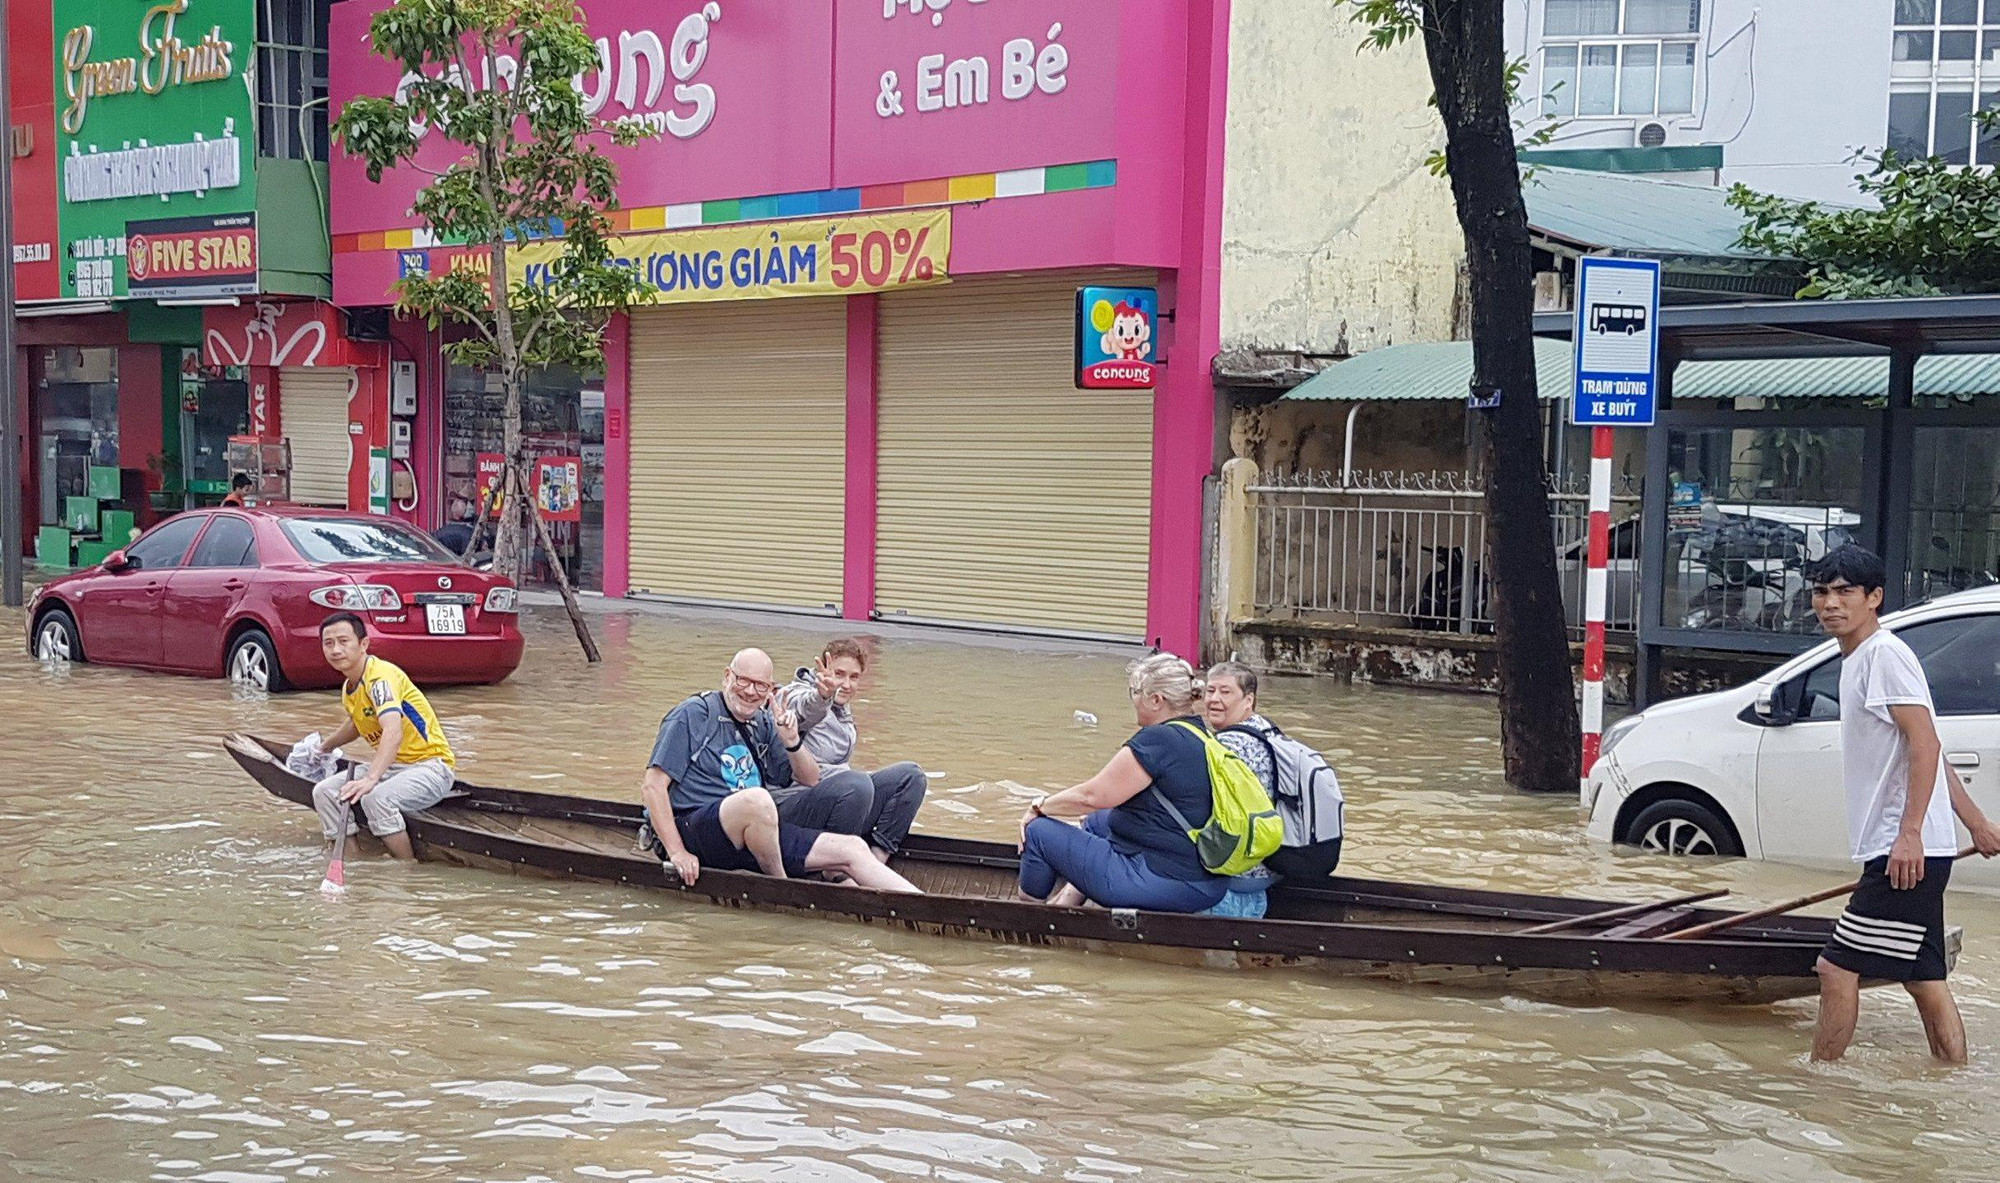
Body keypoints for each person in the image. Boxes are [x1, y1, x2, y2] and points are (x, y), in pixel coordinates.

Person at [1806, 545, 2000, 1064]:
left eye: (1846, 591)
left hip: (1905, 850)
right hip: (1911, 846)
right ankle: (1953, 1078)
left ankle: (1818, 1084)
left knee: (1836, 968)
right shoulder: (1858, 659)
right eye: (1822, 591)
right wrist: (1976, 822)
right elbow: (1928, 743)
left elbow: (1924, 743)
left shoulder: (1883, 656)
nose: (1831, 603)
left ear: (1875, 598)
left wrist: (1910, 833)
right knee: (1924, 978)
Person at [637, 648, 921, 893]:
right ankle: (782, 887)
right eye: (743, 681)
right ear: (727, 676)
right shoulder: (693, 713)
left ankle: (926, 904)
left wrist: (792, 741)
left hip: (756, 830)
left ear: (770, 689)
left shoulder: (763, 721)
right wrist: (677, 852)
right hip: (697, 826)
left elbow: (810, 779)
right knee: (758, 800)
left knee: (852, 848)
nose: (750, 692)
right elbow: (653, 786)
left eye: (760, 686)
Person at [1016, 654, 1230, 913]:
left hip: (1167, 880)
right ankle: (1067, 901)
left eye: (1135, 692)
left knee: (1038, 832)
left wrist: (1038, 807)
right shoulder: (1200, 734)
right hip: (1206, 881)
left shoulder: (1158, 740)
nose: (1133, 700)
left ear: (1156, 700)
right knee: (1096, 821)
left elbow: (1091, 796)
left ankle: (1029, 914)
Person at [306, 612, 459, 865]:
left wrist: (371, 779)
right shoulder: (350, 686)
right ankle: (352, 858)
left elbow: (392, 730)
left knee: (376, 797)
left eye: (344, 641)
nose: (335, 649)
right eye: (328, 643)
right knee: (323, 791)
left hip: (430, 768)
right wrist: (324, 747)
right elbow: (357, 723)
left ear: (363, 644)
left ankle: (405, 865)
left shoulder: (380, 678)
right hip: (393, 769)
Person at [773, 638, 928, 863]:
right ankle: (834, 867)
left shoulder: (842, 707)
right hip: (797, 806)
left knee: (911, 776)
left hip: (841, 801)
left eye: (854, 677)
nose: (846, 684)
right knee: (857, 783)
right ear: (821, 671)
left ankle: (877, 859)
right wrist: (822, 695)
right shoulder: (792, 696)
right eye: (839, 674)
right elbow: (805, 708)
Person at [1206, 661, 1345, 880]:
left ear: (1248, 700)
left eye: (1225, 692)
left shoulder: (1230, 745)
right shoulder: (1264, 727)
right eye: (1209, 690)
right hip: (1277, 860)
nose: (1214, 699)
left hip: (1246, 870)